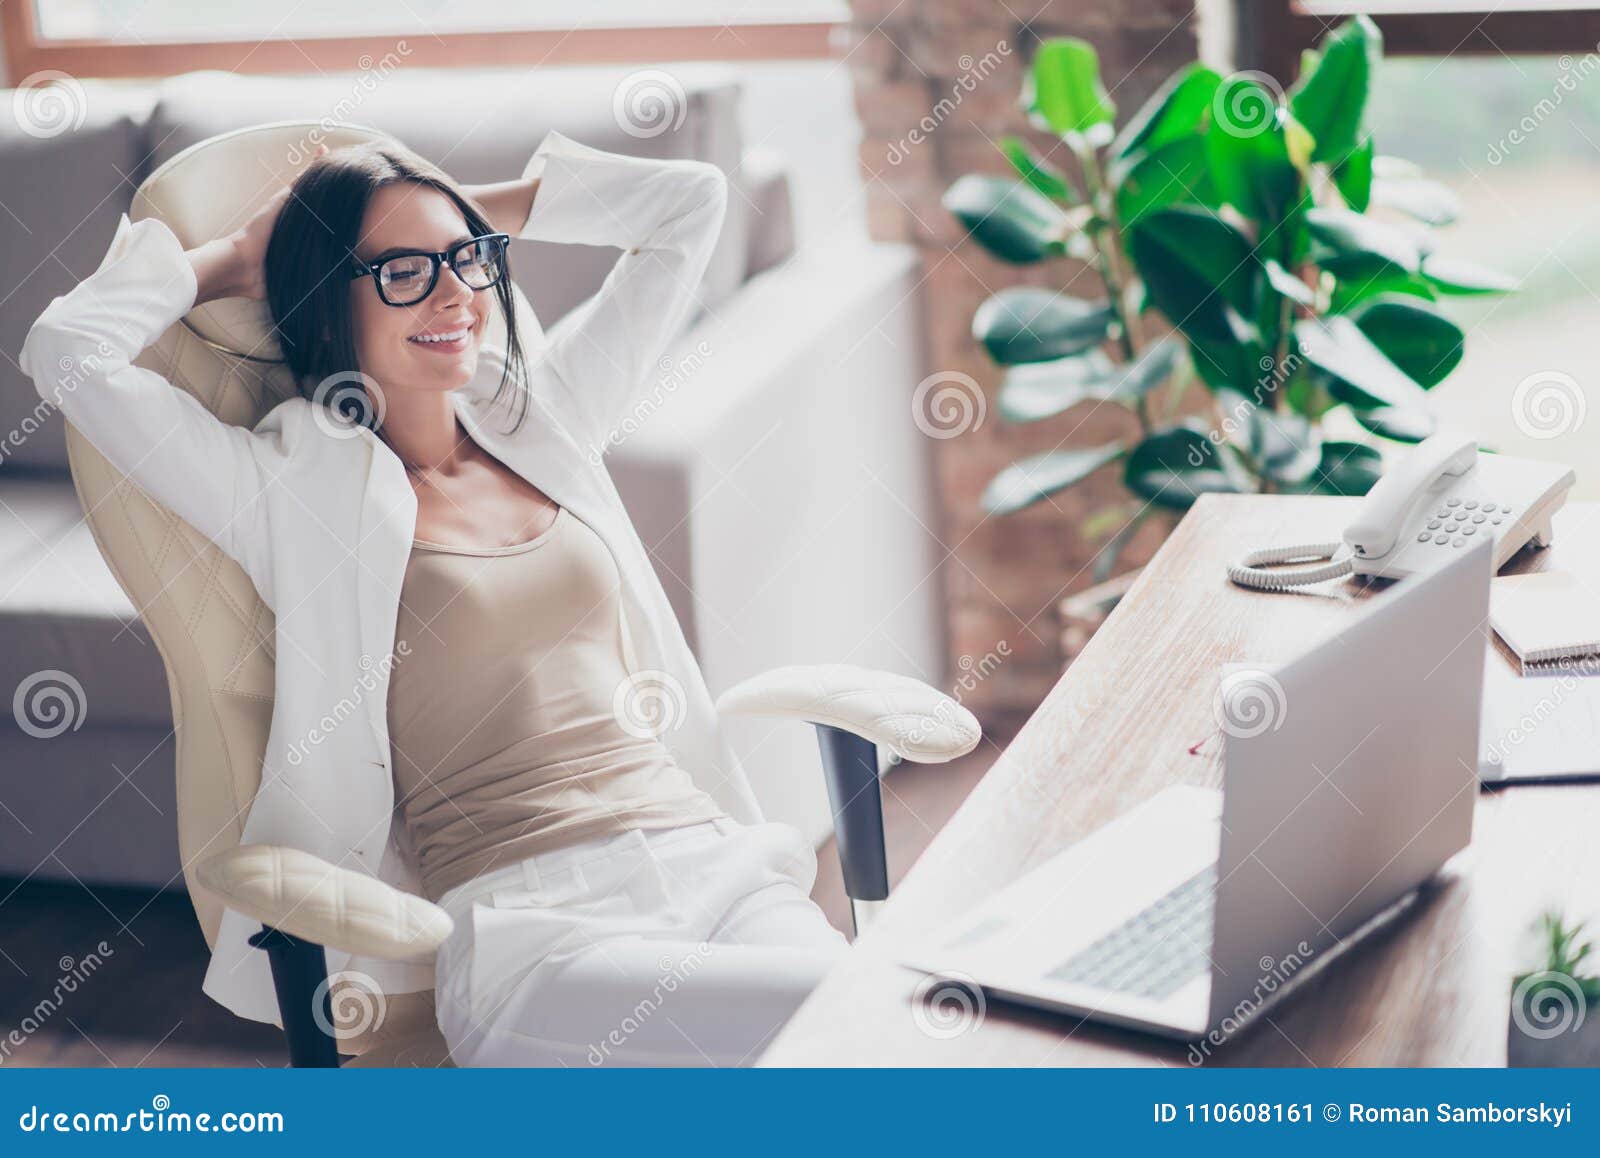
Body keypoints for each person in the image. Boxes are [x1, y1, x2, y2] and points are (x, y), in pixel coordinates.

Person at [21, 130, 847, 1066]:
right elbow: (68, 351)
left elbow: (691, 202)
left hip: (716, 868)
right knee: (842, 1034)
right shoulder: (290, 491)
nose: (457, 295)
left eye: (469, 265)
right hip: (540, 934)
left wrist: (447, 216)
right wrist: (235, 261)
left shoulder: (544, 418)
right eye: (405, 272)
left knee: (902, 1026)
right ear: (325, 293)